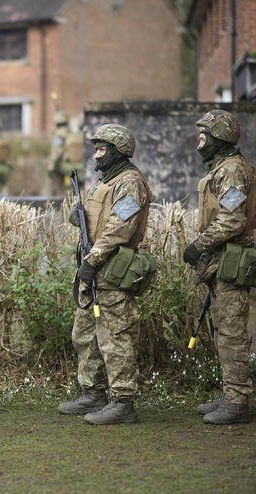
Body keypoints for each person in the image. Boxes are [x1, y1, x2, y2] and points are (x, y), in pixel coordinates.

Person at [58, 123, 152, 425]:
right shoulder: (106, 182)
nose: (96, 155)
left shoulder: (130, 182)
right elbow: (100, 222)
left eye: (102, 149)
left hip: (112, 270)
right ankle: (93, 392)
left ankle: (123, 402)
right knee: (84, 335)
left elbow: (119, 229)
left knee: (116, 339)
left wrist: (93, 259)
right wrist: (81, 218)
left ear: (118, 151)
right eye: (96, 149)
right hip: (94, 271)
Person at [182, 110, 256, 425]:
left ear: (220, 138)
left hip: (230, 260)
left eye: (203, 138)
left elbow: (232, 220)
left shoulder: (230, 171)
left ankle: (237, 402)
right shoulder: (223, 168)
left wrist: (198, 246)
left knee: (231, 333)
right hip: (220, 261)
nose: (199, 144)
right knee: (222, 330)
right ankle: (230, 394)